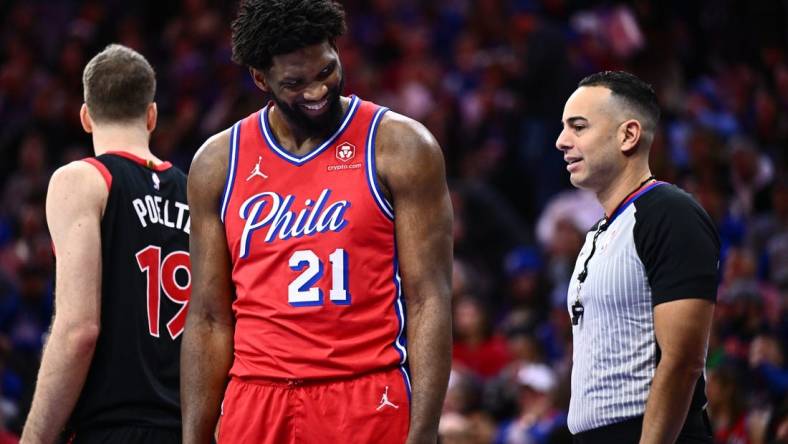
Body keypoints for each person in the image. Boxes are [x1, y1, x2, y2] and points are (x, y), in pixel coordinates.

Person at [180, 1, 453, 443]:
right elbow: (209, 315)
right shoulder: (218, 162)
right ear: (260, 79)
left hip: (365, 390)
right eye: (295, 82)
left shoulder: (401, 146)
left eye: (326, 71)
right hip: (256, 396)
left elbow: (429, 298)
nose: (315, 91)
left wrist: (424, 430)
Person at [21, 44, 190, 444]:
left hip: (111, 426)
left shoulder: (81, 179)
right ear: (152, 116)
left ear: (85, 116)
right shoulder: (196, 189)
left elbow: (79, 329)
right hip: (187, 426)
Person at [555, 71, 720, 443]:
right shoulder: (598, 232)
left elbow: (683, 361)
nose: (561, 141)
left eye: (578, 127)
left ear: (628, 135)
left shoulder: (670, 213)